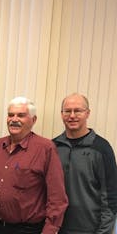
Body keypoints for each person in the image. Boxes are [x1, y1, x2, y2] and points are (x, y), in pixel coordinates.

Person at [0, 96, 68, 234]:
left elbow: (57, 197)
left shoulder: (45, 148)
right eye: (10, 115)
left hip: (27, 230)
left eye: (21, 115)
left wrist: (50, 230)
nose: (14, 119)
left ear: (33, 120)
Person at [53, 93, 117, 234]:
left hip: (90, 230)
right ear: (61, 114)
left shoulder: (101, 148)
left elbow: (111, 198)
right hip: (56, 229)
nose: (72, 115)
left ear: (87, 113)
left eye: (78, 110)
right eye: (67, 111)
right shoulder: (53, 147)